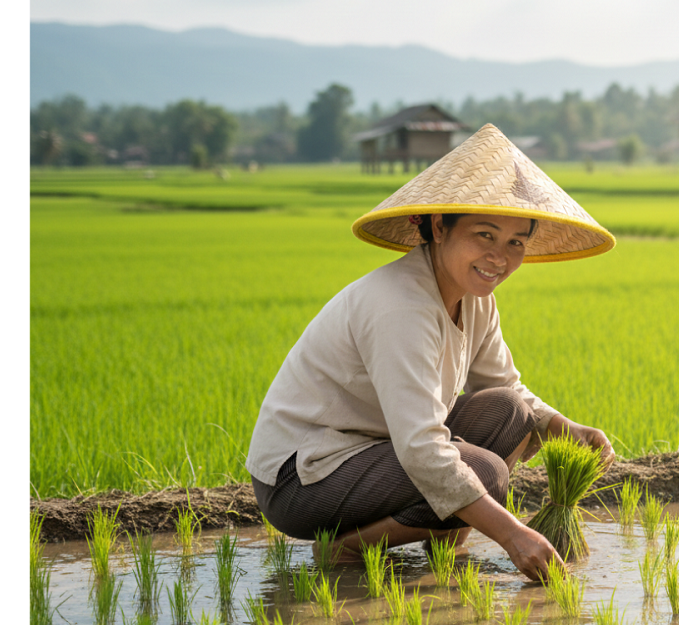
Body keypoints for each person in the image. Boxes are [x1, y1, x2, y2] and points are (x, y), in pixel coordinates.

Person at [245, 123, 617, 582]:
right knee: (487, 474)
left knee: (510, 411)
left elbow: (503, 386)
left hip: (376, 450)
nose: (499, 256)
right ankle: (345, 549)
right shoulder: (400, 305)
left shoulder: (476, 298)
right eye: (485, 235)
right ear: (439, 227)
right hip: (305, 477)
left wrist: (564, 427)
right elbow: (421, 446)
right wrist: (513, 535)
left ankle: (445, 548)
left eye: (515, 242)